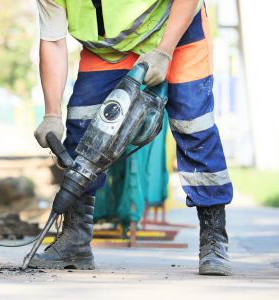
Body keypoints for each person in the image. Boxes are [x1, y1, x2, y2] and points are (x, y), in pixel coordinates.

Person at [32, 0, 233, 276]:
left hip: (175, 30)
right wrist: (51, 113)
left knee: (193, 126)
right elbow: (53, 41)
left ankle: (214, 241)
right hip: (108, 49)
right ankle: (74, 240)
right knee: (82, 131)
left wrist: (164, 51)